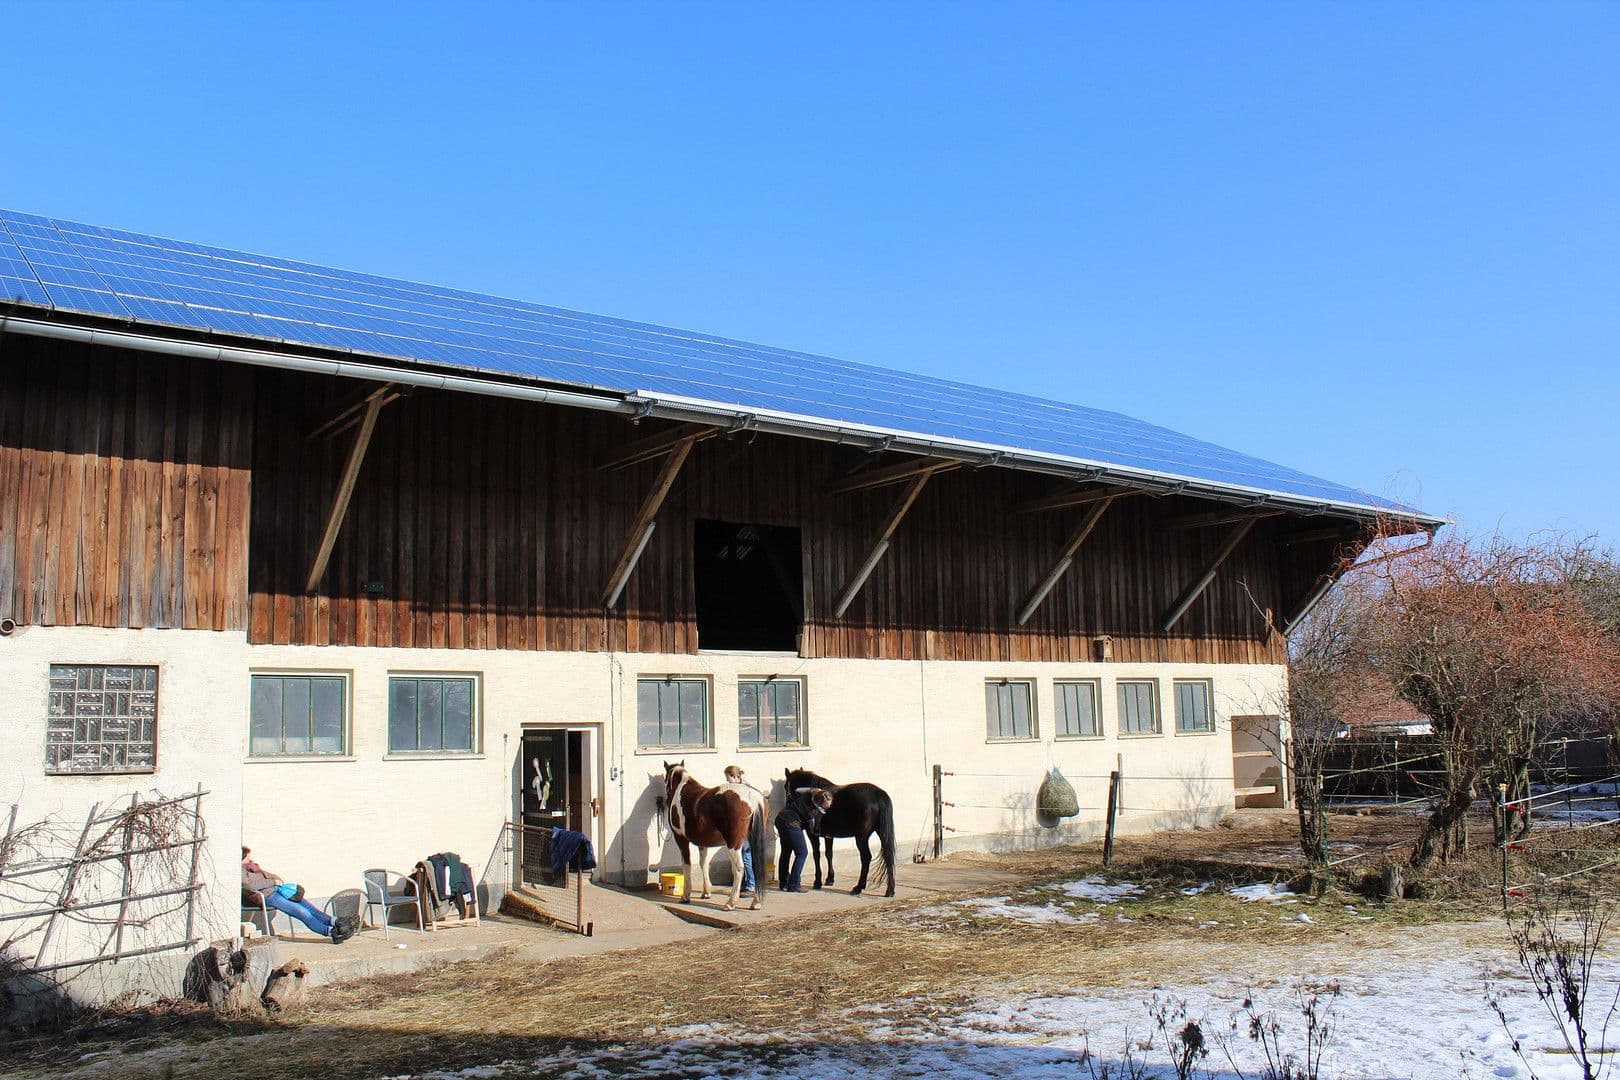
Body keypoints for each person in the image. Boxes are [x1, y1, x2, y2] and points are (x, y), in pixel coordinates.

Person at [242, 846, 357, 943]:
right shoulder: (240, 871)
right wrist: (273, 882)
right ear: (242, 858)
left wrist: (277, 880)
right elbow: (250, 886)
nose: (250, 859)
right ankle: (331, 932)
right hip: (268, 897)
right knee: (302, 912)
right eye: (248, 857)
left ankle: (336, 922)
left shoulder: (252, 867)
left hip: (277, 891)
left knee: (309, 907)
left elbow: (272, 876)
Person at [775, 786, 832, 893]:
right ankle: (794, 884)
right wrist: (824, 835)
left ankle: (783, 883)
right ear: (820, 803)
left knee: (786, 852)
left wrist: (813, 790)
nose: (830, 805)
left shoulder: (807, 796)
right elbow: (813, 830)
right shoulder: (814, 812)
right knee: (802, 853)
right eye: (827, 804)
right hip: (792, 823)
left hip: (780, 819)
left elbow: (797, 789)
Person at [723, 764, 759, 896]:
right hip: (742, 829)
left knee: (746, 856)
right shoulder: (744, 788)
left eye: (728, 778)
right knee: (743, 856)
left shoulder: (743, 790)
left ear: (735, 776)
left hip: (745, 829)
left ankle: (751, 885)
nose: (727, 781)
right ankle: (746, 883)